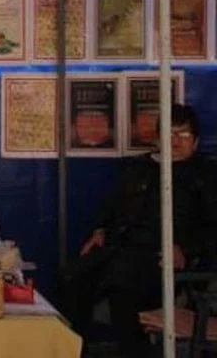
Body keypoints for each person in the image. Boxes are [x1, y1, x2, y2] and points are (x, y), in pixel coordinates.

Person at [59, 104, 216, 357]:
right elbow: (111, 206)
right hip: (119, 248)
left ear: (196, 142)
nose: (175, 141)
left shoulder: (205, 176)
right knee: (71, 278)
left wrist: (185, 249)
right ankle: (77, 352)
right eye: (169, 133)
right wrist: (99, 230)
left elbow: (212, 228)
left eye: (183, 135)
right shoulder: (139, 168)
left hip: (162, 258)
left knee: (124, 293)